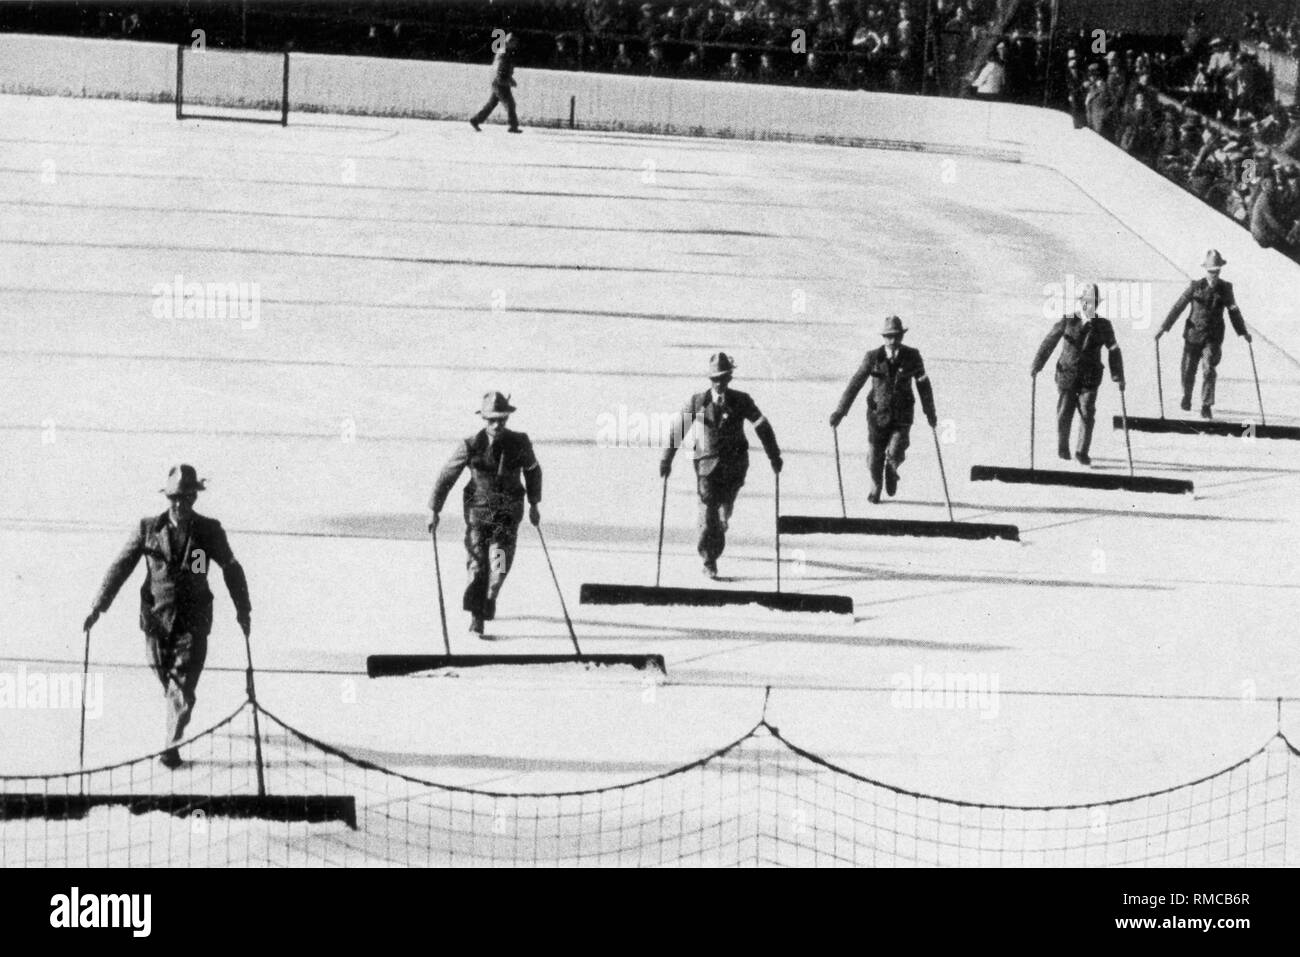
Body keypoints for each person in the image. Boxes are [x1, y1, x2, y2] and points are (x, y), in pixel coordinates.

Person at [82, 465, 251, 769]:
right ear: (168, 497)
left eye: (186, 498)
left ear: (194, 498)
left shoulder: (208, 531)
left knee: (181, 686)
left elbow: (230, 567)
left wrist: (243, 609)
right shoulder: (148, 528)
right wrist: (98, 605)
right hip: (156, 621)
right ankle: (180, 705)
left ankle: (170, 746)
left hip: (193, 622)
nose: (179, 504)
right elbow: (121, 566)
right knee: (167, 678)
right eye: (174, 497)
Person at [660, 353, 782, 580]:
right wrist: (666, 460)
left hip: (735, 467)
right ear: (710, 379)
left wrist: (774, 456)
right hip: (706, 467)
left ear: (729, 378)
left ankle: (722, 520)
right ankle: (710, 559)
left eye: (724, 378)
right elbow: (678, 430)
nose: (720, 383)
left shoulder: (742, 400)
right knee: (708, 514)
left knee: (724, 509)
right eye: (716, 378)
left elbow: (762, 426)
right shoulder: (697, 401)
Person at [429, 392, 541, 637]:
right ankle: (476, 617)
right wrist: (434, 510)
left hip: (506, 517)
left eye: (501, 419)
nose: (497, 424)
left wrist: (534, 503)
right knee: (478, 564)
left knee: (498, 567)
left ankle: (491, 596)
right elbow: (447, 475)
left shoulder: (520, 442)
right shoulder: (471, 444)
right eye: (492, 420)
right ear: (484, 419)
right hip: (478, 515)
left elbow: (533, 471)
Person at [829, 316, 937, 504]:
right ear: (884, 338)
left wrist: (930, 412)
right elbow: (856, 383)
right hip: (877, 415)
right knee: (874, 457)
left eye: (896, 336)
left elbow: (923, 385)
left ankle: (892, 469)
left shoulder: (912, 356)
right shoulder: (873, 357)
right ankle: (875, 485)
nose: (893, 341)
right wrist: (840, 411)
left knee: (896, 450)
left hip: (902, 415)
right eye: (889, 337)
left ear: (902, 336)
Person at [1030, 283, 1125, 466]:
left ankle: (1082, 452)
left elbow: (1114, 350)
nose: (1088, 306)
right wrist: (1037, 364)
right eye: (1086, 301)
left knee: (1087, 413)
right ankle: (1063, 449)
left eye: (1092, 303)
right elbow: (1049, 342)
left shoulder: (1103, 325)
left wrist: (1118, 376)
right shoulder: (1068, 321)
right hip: (1067, 375)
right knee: (1064, 413)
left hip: (1089, 378)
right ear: (1080, 302)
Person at [1155, 249, 1251, 419]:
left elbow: (1234, 311)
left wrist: (1243, 332)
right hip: (1193, 335)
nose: (1214, 275)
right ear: (1205, 270)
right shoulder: (1195, 286)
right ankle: (1186, 396)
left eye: (1216, 271)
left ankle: (1206, 405)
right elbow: (1178, 307)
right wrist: (1163, 328)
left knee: (1208, 369)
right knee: (1188, 370)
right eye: (1211, 271)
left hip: (1213, 338)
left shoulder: (1225, 289)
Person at [469, 33, 522, 133]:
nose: (516, 45)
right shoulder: (504, 53)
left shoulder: (505, 51)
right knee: (510, 104)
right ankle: (513, 126)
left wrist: (509, 78)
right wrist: (507, 80)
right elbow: (499, 69)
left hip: (498, 81)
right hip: (500, 82)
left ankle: (475, 120)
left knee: (491, 104)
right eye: (515, 42)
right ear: (510, 42)